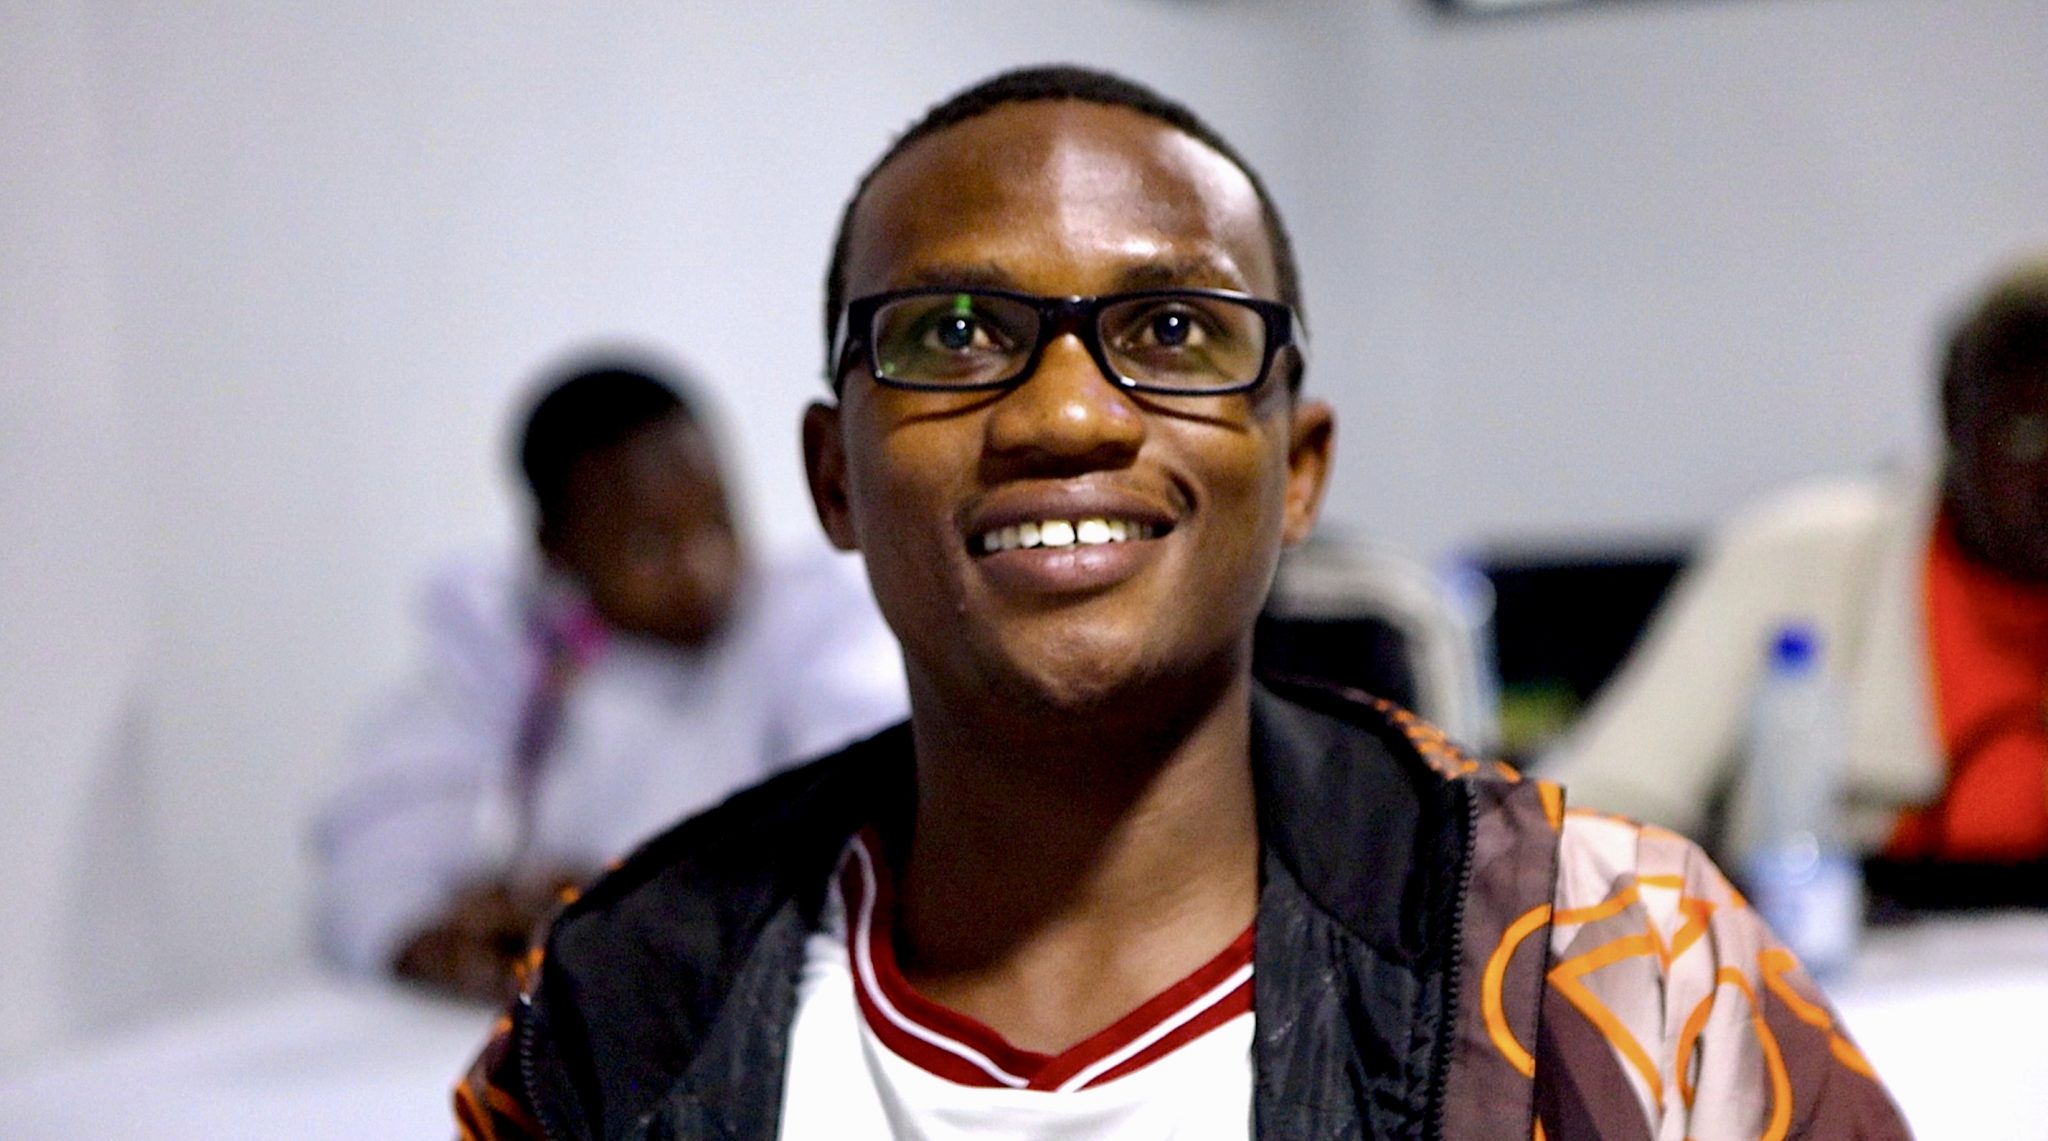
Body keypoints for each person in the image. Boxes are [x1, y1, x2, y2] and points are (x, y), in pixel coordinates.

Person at [457, 68, 1905, 1138]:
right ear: (835, 477)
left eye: (1170, 328)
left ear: (1298, 471)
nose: (1066, 413)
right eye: (953, 333)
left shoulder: (1613, 962)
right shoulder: (617, 1004)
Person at [313, 358, 907, 1001]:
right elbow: (375, 859)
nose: (701, 569)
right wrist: (439, 938)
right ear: (555, 548)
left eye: (718, 522)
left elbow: (856, 835)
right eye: (648, 548)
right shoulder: (503, 637)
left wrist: (622, 910)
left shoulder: (815, 622)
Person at [1550, 259, 2048, 900]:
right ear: (1954, 426)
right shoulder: (1796, 559)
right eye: (2027, 432)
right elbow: (1594, 815)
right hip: (1831, 953)